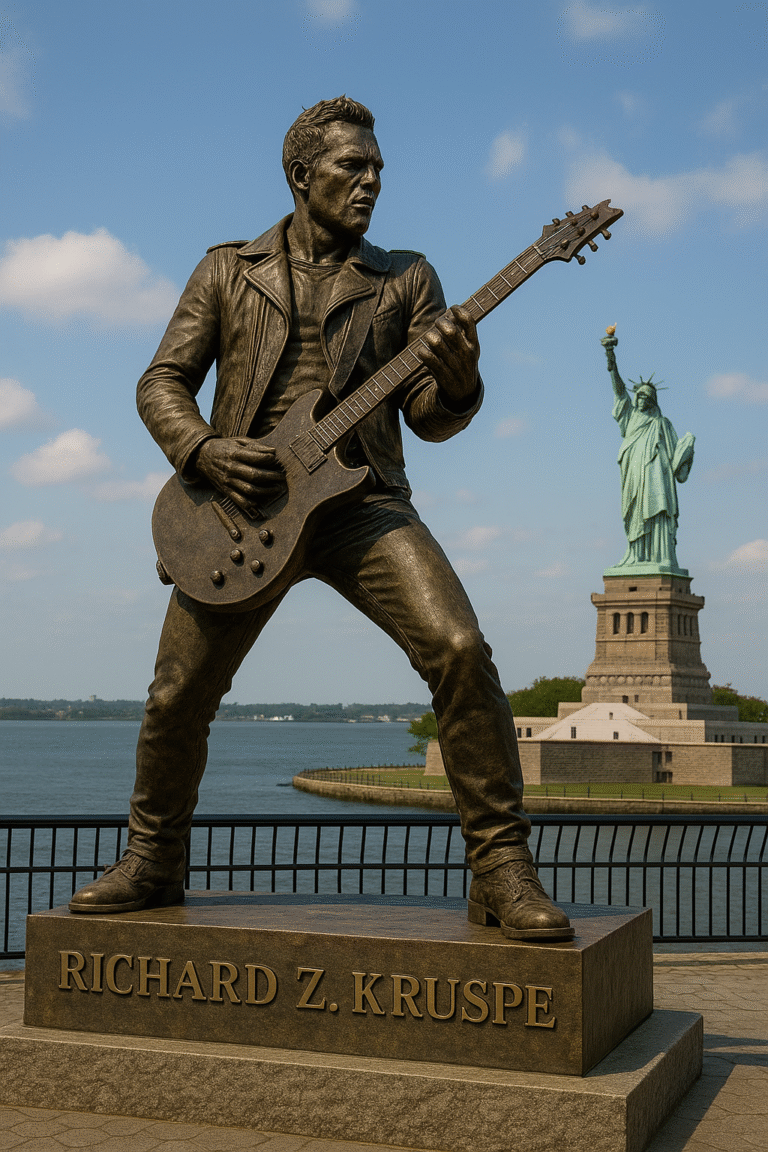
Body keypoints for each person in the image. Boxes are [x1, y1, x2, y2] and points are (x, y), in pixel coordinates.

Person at [70, 97, 572, 941]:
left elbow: (427, 415)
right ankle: (152, 858)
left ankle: (502, 868)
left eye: (378, 168)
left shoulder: (407, 277)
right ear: (302, 176)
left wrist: (457, 380)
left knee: (459, 648)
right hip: (241, 508)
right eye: (353, 167)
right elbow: (160, 382)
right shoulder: (227, 269)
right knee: (174, 696)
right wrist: (201, 451)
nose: (372, 181)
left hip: (362, 504)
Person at [601, 333, 694, 571]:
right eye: (638, 395)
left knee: (657, 509)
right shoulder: (629, 415)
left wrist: (686, 449)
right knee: (634, 514)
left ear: (653, 400)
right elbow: (619, 389)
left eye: (646, 396)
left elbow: (676, 462)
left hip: (656, 477)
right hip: (632, 473)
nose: (641, 399)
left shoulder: (662, 423)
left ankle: (662, 556)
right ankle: (636, 555)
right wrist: (611, 357)